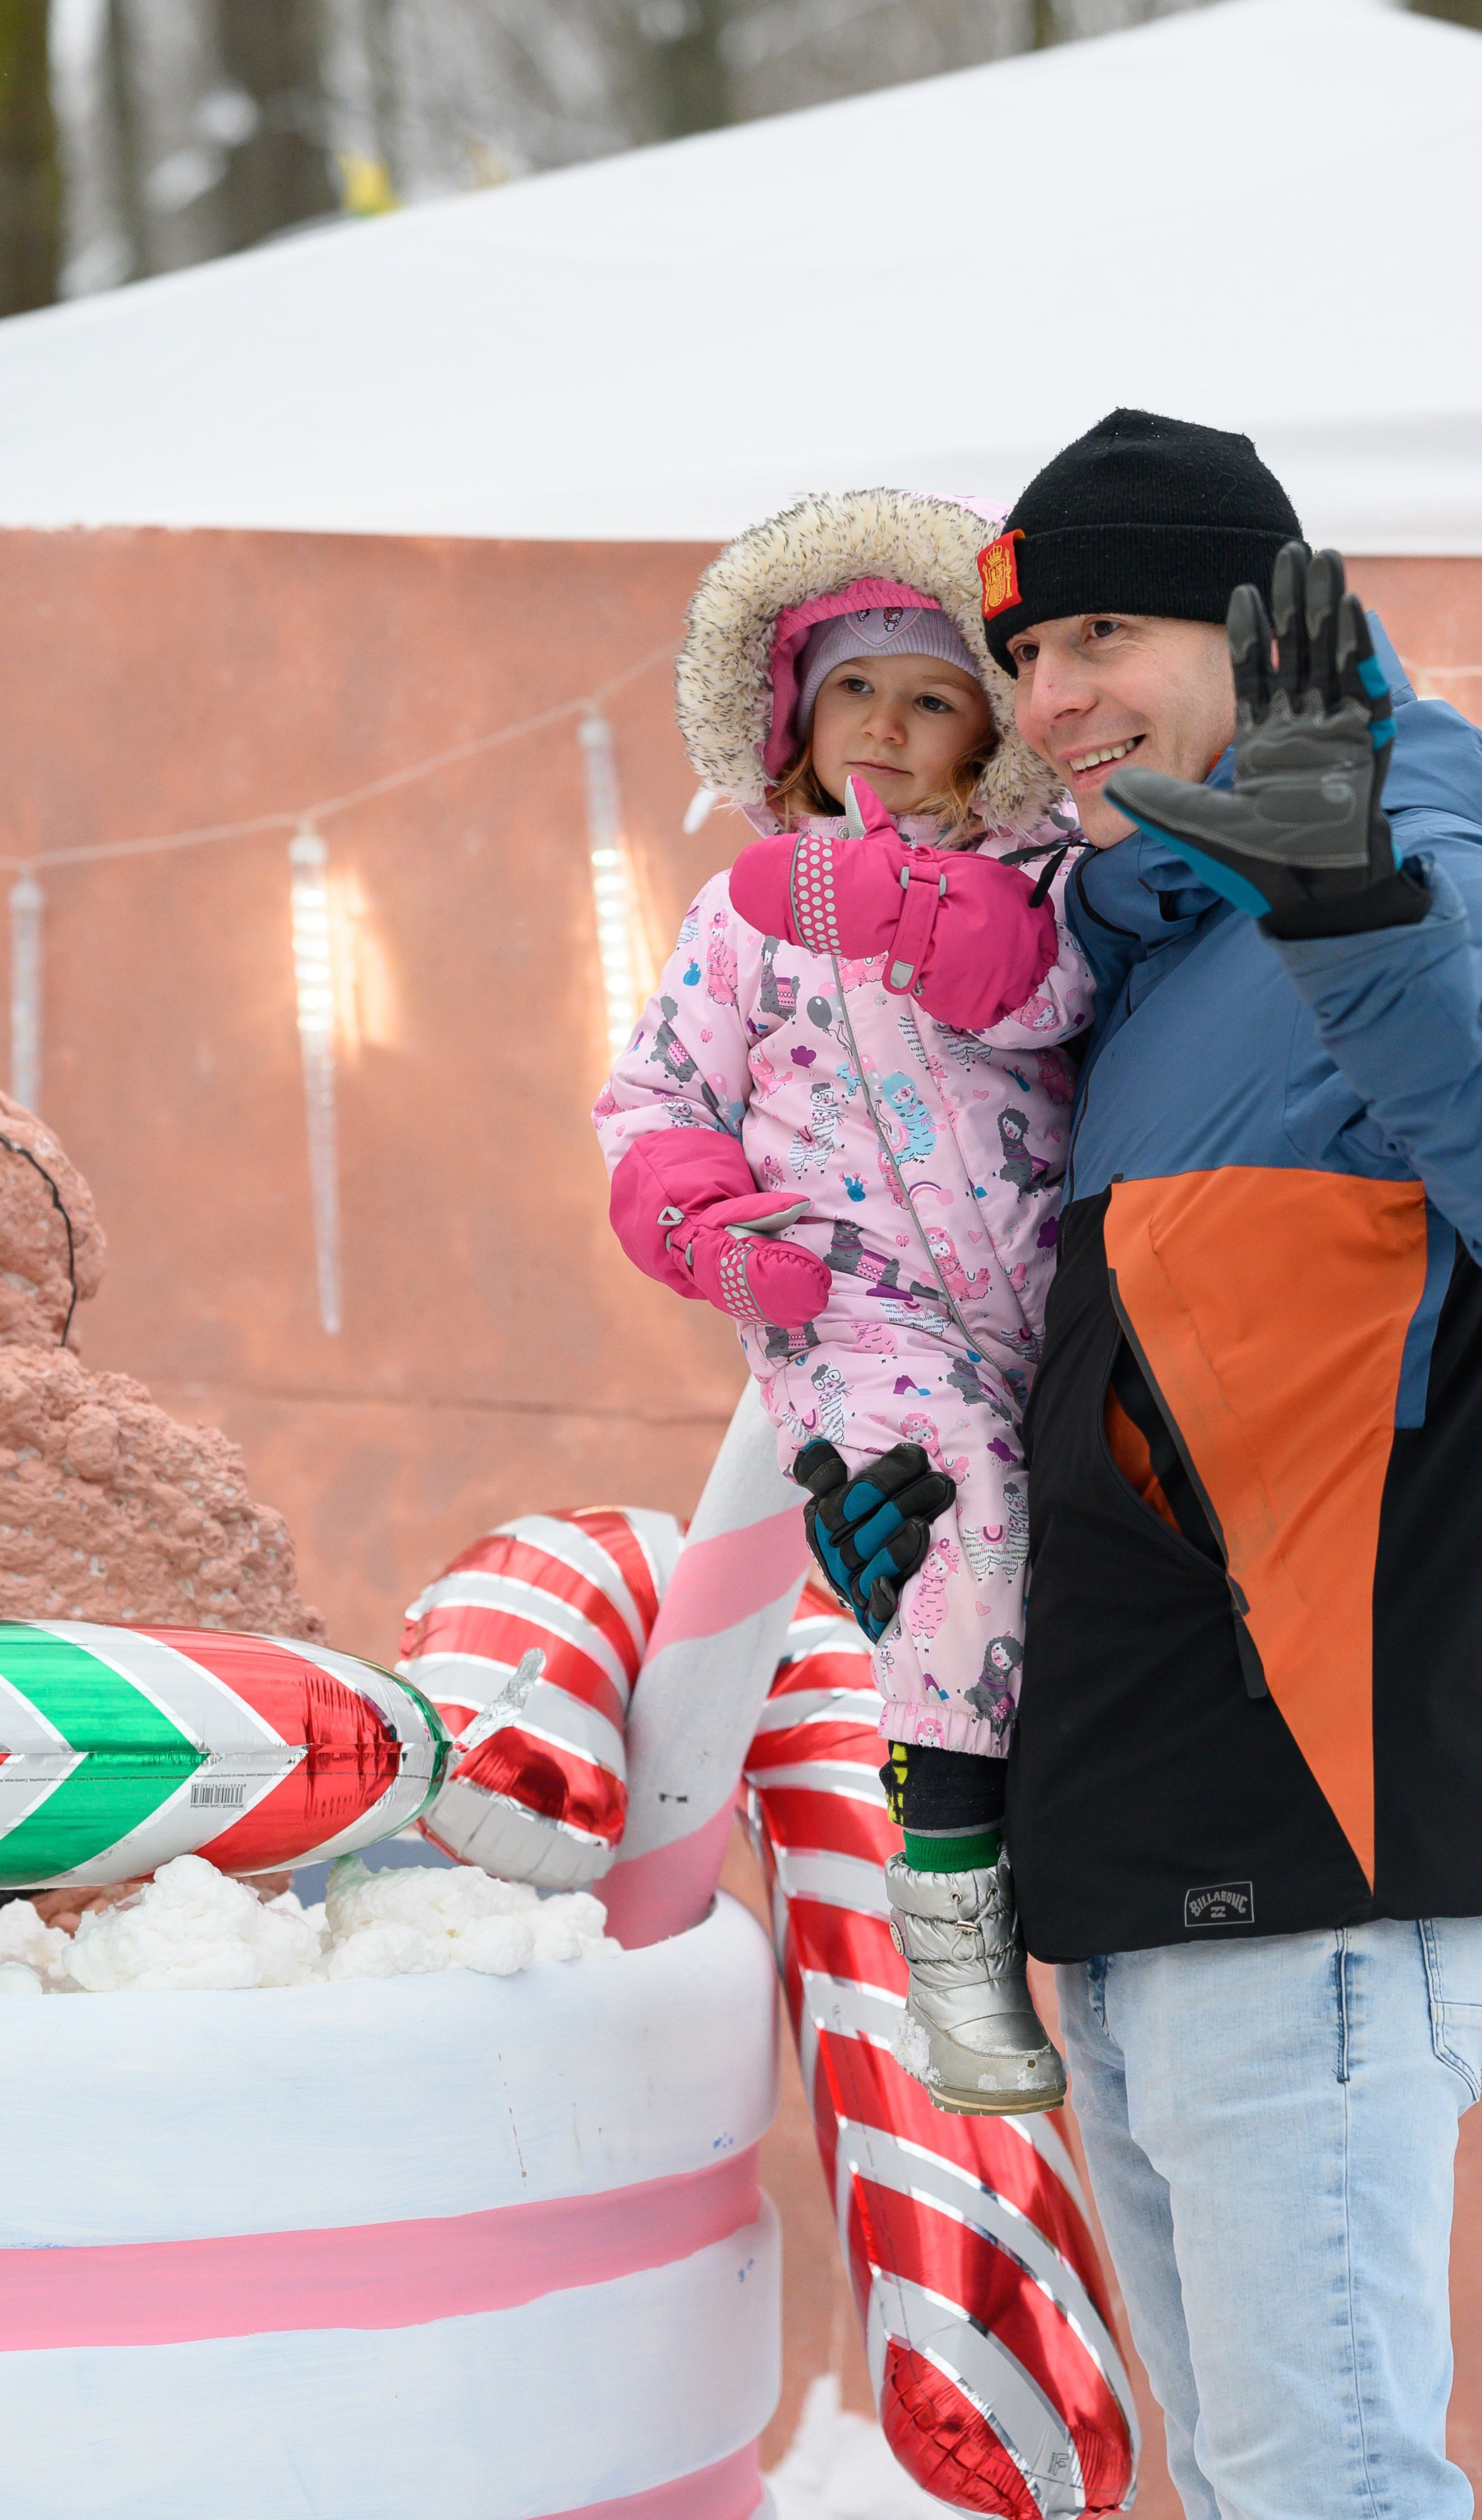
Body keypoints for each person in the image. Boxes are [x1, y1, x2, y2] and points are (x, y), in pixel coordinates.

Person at [801, 411, 1482, 2519]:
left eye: (1104, 630)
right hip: (1134, 1854)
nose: (1049, 704)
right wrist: (933, 1540)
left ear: (1254, 631)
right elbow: (1179, 1388)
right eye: (1025, 659)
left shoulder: (1413, 883)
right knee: (1245, 2490)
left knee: (1330, 2490)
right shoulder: (1141, 970)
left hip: (1305, 1842)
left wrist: (1368, 916)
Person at [592, 488, 1092, 2114]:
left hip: (1042, 1301)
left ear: (981, 735)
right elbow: (655, 1103)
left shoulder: (1037, 871)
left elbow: (1047, 990)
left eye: (930, 695)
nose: (885, 723)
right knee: (958, 1537)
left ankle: (1047, 1877)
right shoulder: (731, 926)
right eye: (853, 690)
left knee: (1046, 1584)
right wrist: (708, 1232)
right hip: (855, 1317)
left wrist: (910, 913)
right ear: (795, 721)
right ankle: (949, 1936)